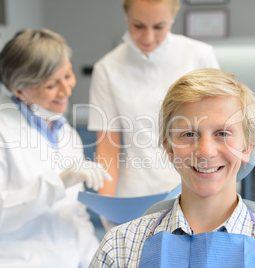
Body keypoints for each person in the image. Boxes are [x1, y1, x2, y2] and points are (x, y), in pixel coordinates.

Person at [90, 68, 255, 267]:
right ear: (169, 148)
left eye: (223, 133)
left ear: (247, 148)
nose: (205, 151)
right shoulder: (120, 249)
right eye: (188, 134)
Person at [0, 29, 112, 268]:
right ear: (20, 91)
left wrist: (98, 260)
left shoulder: (66, 133)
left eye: (68, 75)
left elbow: (75, 215)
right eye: (51, 85)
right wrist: (56, 184)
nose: (66, 90)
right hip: (9, 260)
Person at [88, 0, 220, 199]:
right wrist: (108, 205)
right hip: (135, 191)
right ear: (126, 14)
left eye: (159, 26)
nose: (148, 37)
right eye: (138, 25)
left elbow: (219, 130)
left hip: (195, 184)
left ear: (173, 16)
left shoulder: (198, 56)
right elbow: (108, 147)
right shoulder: (107, 69)